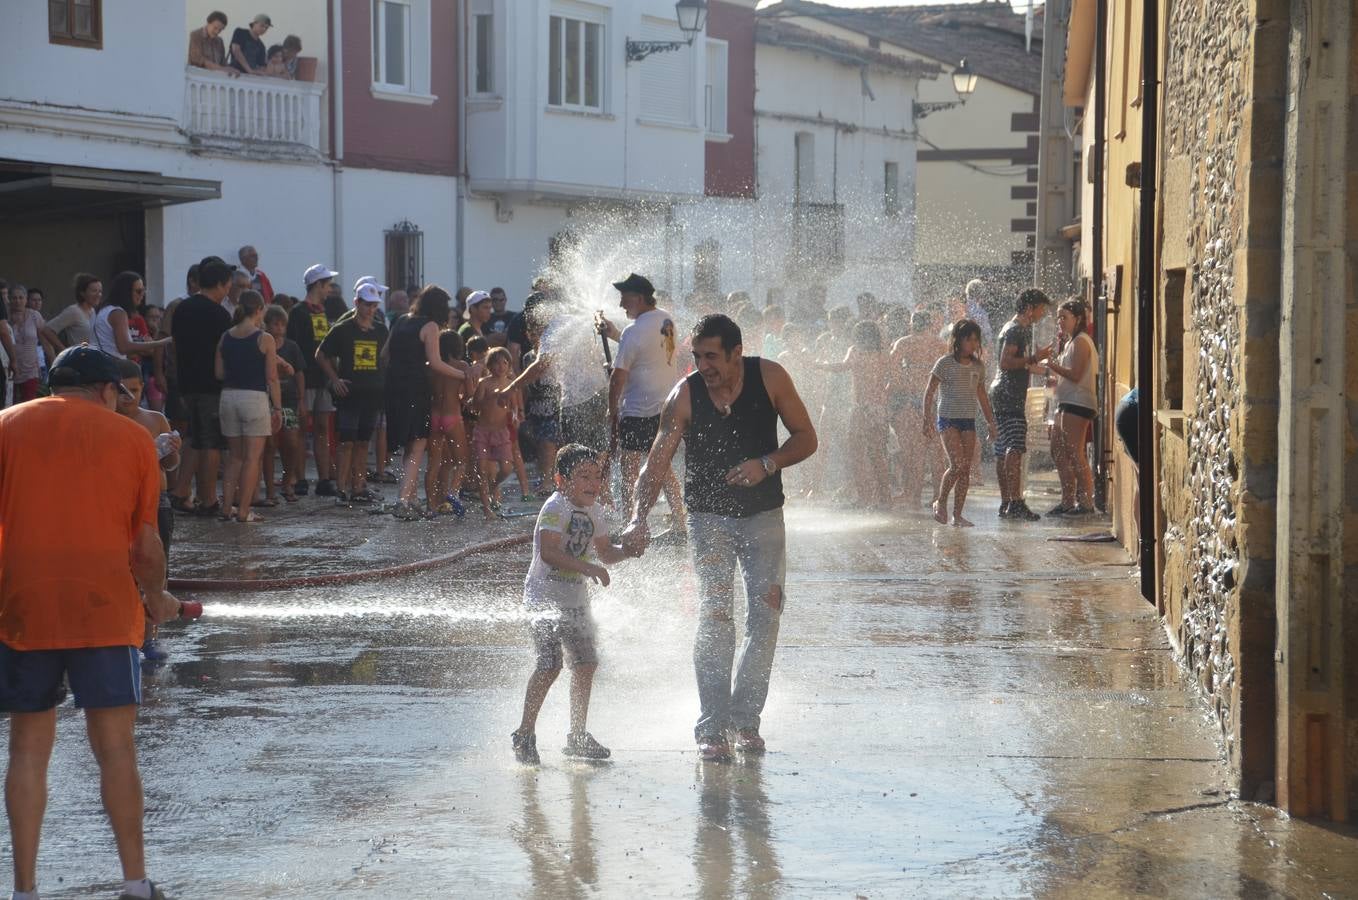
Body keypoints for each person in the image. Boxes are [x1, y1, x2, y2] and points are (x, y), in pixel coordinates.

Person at [0, 345, 180, 900]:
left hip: (22, 606)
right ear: (107, 391)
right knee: (116, 748)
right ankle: (135, 883)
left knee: (28, 746)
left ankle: (24, 889)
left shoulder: (5, 426)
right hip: (103, 604)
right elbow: (146, 545)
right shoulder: (131, 440)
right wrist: (158, 598)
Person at [622, 314, 818, 762]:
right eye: (697, 356)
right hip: (708, 518)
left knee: (765, 617)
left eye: (712, 357)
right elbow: (656, 463)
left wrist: (766, 463)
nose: (703, 365)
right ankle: (711, 729)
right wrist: (638, 518)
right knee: (714, 618)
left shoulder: (770, 377)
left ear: (736, 353)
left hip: (764, 515)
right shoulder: (685, 396)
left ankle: (745, 721)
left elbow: (807, 438)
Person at [512, 444, 637, 766]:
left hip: (574, 601)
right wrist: (589, 568)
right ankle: (525, 733)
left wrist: (631, 550)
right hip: (543, 599)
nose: (592, 483)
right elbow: (549, 553)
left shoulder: (594, 511)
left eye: (596, 476)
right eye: (583, 476)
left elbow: (607, 553)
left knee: (585, 663)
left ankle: (577, 735)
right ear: (560, 479)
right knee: (550, 665)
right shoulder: (556, 507)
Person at [596, 273, 685, 522]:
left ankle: (631, 522)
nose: (622, 304)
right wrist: (616, 335)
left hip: (638, 410)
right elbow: (648, 351)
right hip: (665, 407)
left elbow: (617, 378)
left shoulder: (633, 332)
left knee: (630, 471)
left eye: (624, 298)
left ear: (638, 298)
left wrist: (612, 409)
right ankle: (679, 520)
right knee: (664, 468)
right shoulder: (666, 319)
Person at [114, 358, 183, 663]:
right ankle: (125, 634)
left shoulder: (154, 419)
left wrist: (170, 450)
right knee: (123, 571)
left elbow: (170, 467)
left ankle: (150, 637)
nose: (131, 398)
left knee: (157, 569)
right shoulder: (109, 422)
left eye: (136, 390)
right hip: (123, 501)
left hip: (158, 501)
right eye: (125, 392)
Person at [383, 286, 471, 519]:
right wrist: (464, 375)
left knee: (407, 443)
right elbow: (435, 363)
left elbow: (385, 354)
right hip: (415, 388)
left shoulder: (401, 320)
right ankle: (403, 500)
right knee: (419, 442)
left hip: (393, 386)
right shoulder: (430, 326)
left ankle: (409, 496)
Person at [170, 256, 234, 516]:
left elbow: (174, 346)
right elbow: (226, 352)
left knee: (194, 439)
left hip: (186, 384)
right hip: (210, 385)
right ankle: (208, 500)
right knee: (210, 444)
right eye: (228, 283)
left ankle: (180, 490)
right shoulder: (219, 314)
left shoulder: (183, 308)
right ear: (221, 283)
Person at [317, 282, 388, 506]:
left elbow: (386, 358)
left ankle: (358, 486)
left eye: (374, 305)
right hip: (350, 393)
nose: (371, 309)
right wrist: (335, 379)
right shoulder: (342, 329)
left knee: (363, 441)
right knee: (346, 442)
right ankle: (340, 488)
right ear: (357, 302)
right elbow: (321, 354)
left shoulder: (380, 329)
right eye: (367, 304)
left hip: (373, 392)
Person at [921, 319, 997, 527]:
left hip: (968, 420)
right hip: (947, 419)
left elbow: (982, 396)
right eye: (968, 339)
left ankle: (958, 514)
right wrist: (926, 417)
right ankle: (940, 501)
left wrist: (991, 423)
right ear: (958, 340)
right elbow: (930, 390)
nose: (973, 344)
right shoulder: (945, 363)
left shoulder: (978, 366)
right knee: (957, 464)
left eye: (976, 340)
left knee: (966, 469)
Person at [215, 291, 282, 522]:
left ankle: (227, 508)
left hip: (228, 396)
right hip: (253, 398)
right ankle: (244, 510)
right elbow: (272, 377)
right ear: (260, 310)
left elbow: (219, 372)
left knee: (234, 457)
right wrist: (278, 408)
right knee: (253, 458)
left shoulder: (225, 336)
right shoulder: (265, 339)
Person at [989, 289, 1052, 522]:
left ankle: (1006, 502)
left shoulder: (1011, 328)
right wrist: (1035, 358)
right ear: (1029, 309)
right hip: (1009, 395)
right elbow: (1007, 362)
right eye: (1040, 310)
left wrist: (1044, 370)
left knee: (1002, 449)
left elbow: (1018, 365)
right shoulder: (1017, 330)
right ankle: (1015, 502)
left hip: (1001, 393)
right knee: (1014, 448)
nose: (1042, 315)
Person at [819, 319, 891, 508]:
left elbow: (841, 367)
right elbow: (893, 376)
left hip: (861, 408)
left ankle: (864, 497)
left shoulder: (855, 351)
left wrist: (820, 365)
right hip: (879, 408)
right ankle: (885, 498)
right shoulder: (883, 354)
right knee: (877, 454)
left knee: (856, 453)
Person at [287, 264, 341, 496]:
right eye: (327, 285)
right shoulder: (298, 312)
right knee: (300, 429)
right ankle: (299, 478)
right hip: (306, 377)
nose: (329, 289)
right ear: (317, 284)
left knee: (321, 427)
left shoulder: (327, 311)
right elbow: (294, 345)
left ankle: (324, 478)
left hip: (324, 378)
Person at [1045, 299, 1098, 516]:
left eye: (1064, 317)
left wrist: (1052, 365)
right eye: (1058, 317)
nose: (1060, 321)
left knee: (1075, 452)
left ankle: (1085, 503)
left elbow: (1076, 374)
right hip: (1065, 402)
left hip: (1079, 402)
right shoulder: (1069, 342)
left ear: (1077, 319)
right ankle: (1067, 500)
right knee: (1057, 449)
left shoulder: (1082, 342)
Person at [887, 310, 945, 508]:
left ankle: (915, 495)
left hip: (913, 398)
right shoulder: (940, 344)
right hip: (936, 399)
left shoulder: (904, 343)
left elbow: (893, 374)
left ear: (912, 324)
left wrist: (905, 383)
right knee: (937, 450)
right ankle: (939, 495)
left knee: (916, 450)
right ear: (930, 324)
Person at [261, 305, 304, 503]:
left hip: (289, 401)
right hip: (267, 400)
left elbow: (299, 374)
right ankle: (270, 490)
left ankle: (288, 482)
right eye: (275, 324)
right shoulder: (262, 345)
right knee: (269, 446)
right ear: (267, 325)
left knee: (292, 444)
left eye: (282, 325)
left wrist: (302, 400)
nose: (279, 328)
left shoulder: (292, 347)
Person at [428, 330, 471, 517]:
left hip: (435, 416)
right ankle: (452, 494)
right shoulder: (461, 366)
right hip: (452, 416)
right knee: (461, 462)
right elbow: (469, 394)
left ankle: (432, 505)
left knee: (435, 463)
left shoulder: (431, 366)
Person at [472, 347, 516, 521]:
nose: (501, 366)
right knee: (482, 470)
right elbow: (476, 404)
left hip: (501, 432)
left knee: (506, 468)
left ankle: (493, 486)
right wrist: (490, 398)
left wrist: (515, 415)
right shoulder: (484, 383)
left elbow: (513, 406)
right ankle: (486, 508)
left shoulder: (511, 383)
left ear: (509, 365)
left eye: (505, 362)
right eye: (496, 363)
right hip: (483, 431)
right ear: (490, 365)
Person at [94, 272, 172, 362]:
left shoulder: (106, 309)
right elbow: (124, 347)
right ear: (126, 292)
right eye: (139, 291)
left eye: (143, 290)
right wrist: (161, 342)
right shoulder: (118, 313)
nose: (142, 295)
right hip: (114, 366)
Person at [6, 286, 58, 404]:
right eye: (14, 298)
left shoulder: (34, 316)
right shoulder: (4, 318)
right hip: (8, 369)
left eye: (21, 298)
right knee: (9, 406)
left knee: (29, 405)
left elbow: (46, 336)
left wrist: (61, 350)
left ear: (25, 300)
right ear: (9, 299)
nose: (18, 301)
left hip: (30, 370)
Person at [46, 273, 100, 349]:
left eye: (100, 291)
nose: (99, 295)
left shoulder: (93, 311)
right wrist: (64, 350)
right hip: (77, 358)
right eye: (94, 291)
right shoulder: (74, 311)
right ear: (82, 293)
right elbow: (47, 330)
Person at [188, 10, 238, 77]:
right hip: (198, 79)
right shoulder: (196, 35)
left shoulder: (220, 41)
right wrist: (222, 69)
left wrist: (231, 69)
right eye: (215, 28)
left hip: (215, 80)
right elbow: (198, 59)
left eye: (220, 30)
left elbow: (223, 63)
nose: (217, 32)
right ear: (208, 23)